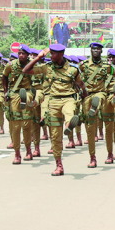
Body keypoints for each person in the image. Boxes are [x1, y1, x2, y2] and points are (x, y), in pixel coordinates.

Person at [22, 44, 86, 176]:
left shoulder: (73, 69)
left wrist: (85, 94)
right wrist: (38, 57)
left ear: (61, 54)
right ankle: (59, 165)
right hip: (53, 101)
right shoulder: (47, 67)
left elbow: (80, 84)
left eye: (53, 54)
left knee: (69, 113)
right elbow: (26, 71)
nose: (51, 56)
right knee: (55, 137)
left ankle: (69, 125)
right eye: (50, 53)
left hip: (68, 98)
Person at [2, 47, 34, 164]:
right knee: (16, 127)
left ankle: (29, 150)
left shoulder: (32, 65)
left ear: (27, 55)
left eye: (23, 54)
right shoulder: (10, 65)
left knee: (26, 125)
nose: (20, 55)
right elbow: (4, 76)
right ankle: (17, 154)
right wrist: (6, 91)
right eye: (19, 53)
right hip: (14, 95)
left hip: (28, 91)